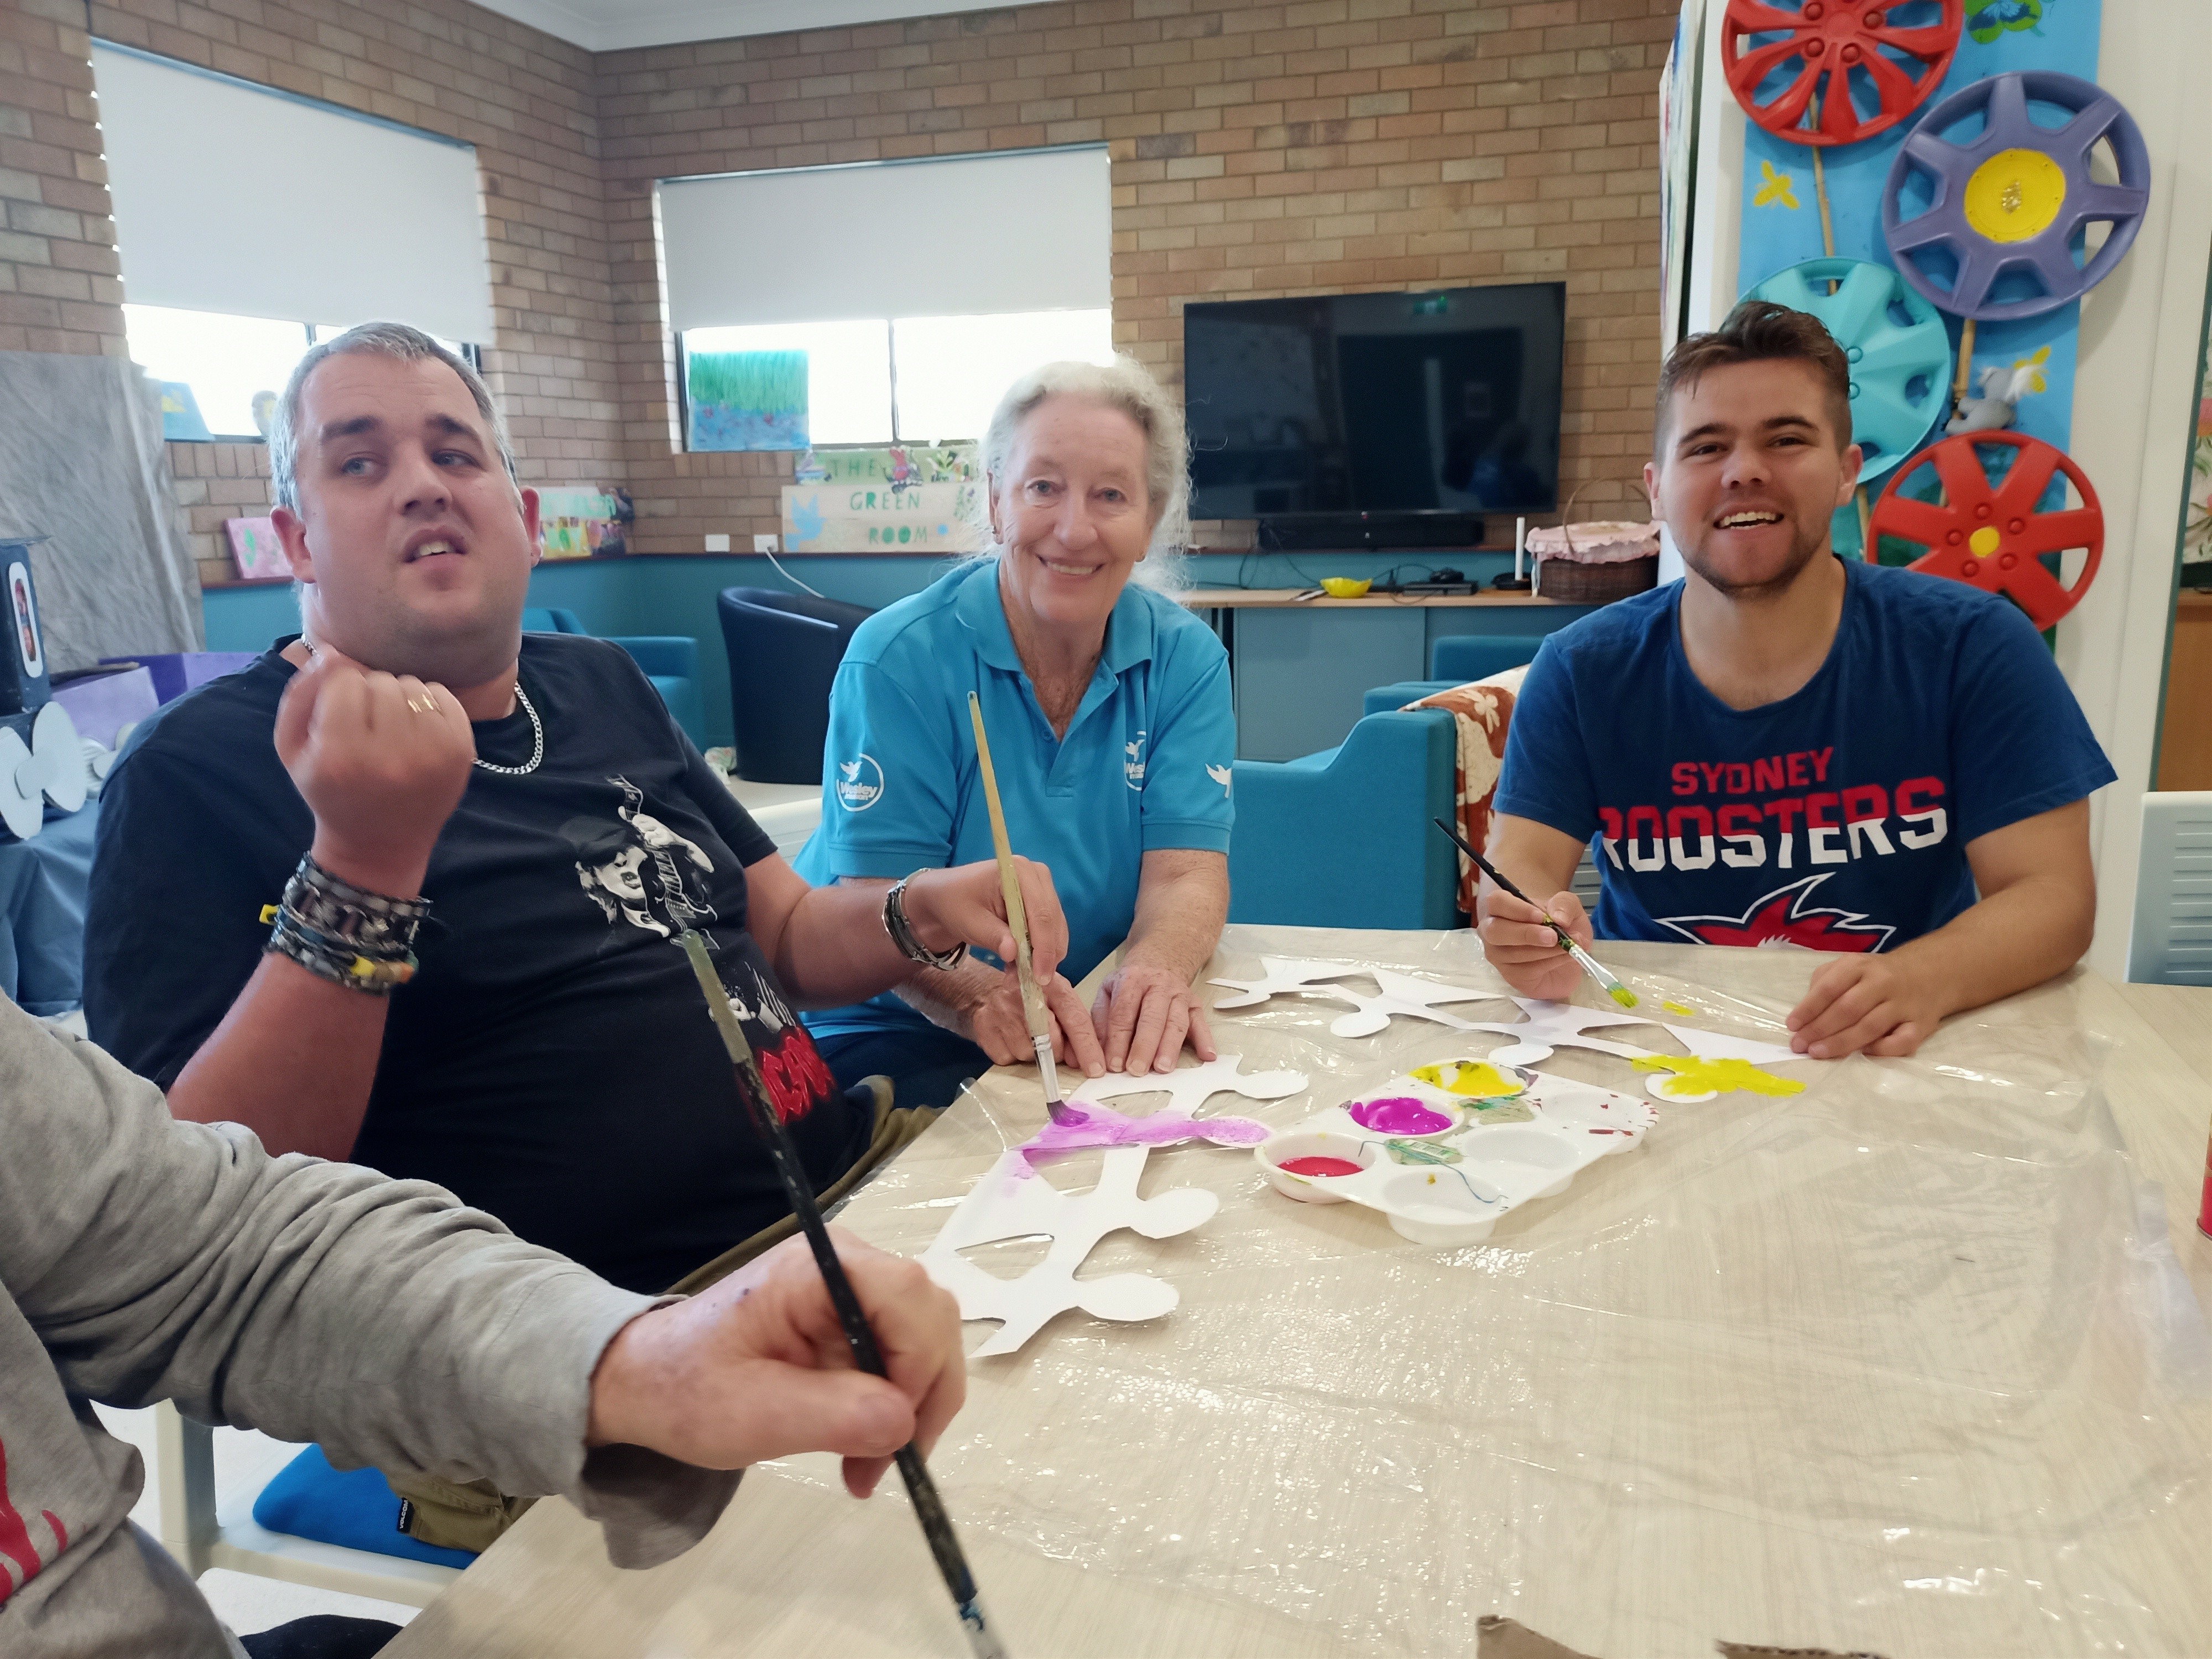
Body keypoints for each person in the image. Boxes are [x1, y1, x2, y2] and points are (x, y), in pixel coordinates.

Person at [0, 996, 962, 1658]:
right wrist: (362, 868)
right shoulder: (198, 772)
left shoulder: (596, 696)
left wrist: (633, 1358)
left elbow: (217, 1249)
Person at [1479, 300, 2115, 1060]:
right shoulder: (1581, 669)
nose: (1745, 470)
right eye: (1707, 447)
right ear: (1657, 489)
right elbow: (1520, 875)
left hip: (1893, 1047)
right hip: (1649, 1045)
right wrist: (1522, 929)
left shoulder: (1973, 645)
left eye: (1786, 439)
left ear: (1848, 473)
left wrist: (1923, 977)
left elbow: (2054, 899)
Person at [793, 358, 1237, 1109]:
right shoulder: (899, 659)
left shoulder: (1186, 659)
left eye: (1111, 495)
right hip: (889, 1023)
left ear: (1149, 522)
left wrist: (1151, 973)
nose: (1074, 528)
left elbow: (1186, 874)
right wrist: (976, 997)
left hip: (1077, 1015)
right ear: (997, 503)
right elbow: (878, 900)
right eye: (1043, 488)